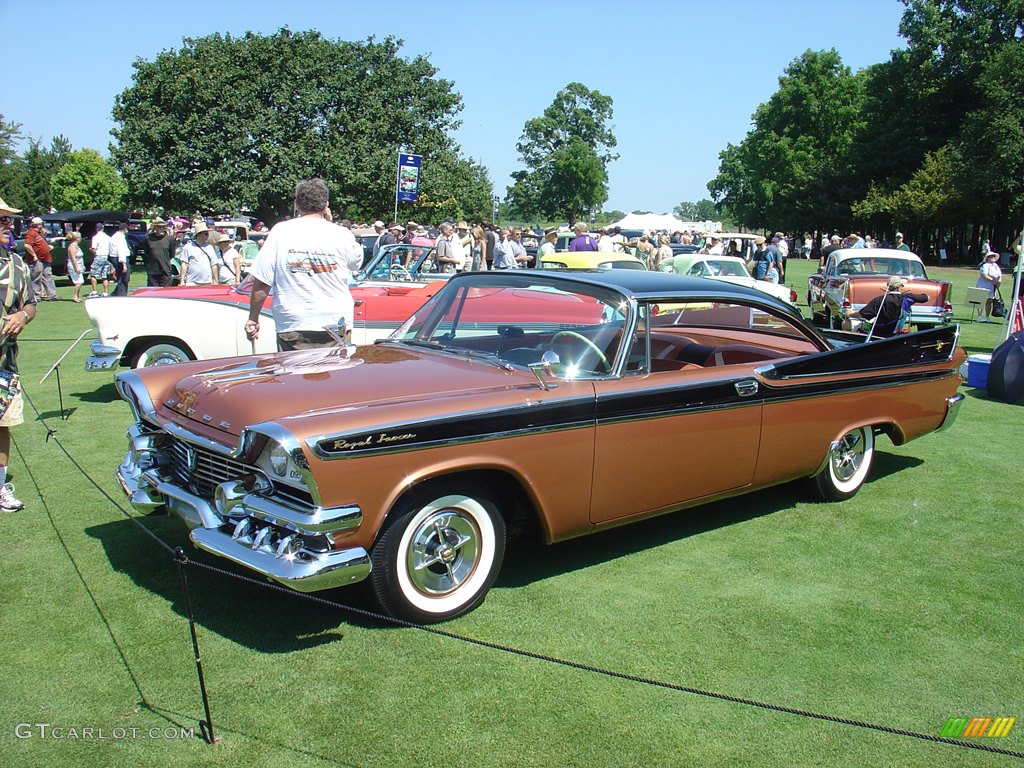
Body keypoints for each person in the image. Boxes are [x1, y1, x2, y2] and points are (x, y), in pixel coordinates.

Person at [245, 178, 363, 351]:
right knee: (334, 375)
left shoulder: (281, 231)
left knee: (295, 376)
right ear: (326, 205)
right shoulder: (341, 234)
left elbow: (262, 282)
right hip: (334, 321)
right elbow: (355, 264)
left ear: (297, 205)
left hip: (294, 322)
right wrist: (330, 223)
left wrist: (253, 317)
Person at [0, 198, 37, 511]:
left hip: (4, 364)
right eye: (1, 220)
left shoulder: (17, 264)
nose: (7, 225)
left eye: (8, 220)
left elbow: (31, 304)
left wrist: (21, 317)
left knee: (2, 425)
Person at [844, 276, 928, 336]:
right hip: (896, 334)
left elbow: (861, 314)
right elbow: (926, 297)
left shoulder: (879, 300)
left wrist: (849, 314)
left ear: (888, 287)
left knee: (846, 323)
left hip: (877, 334)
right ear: (900, 287)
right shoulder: (907, 298)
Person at [23, 216, 57, 301]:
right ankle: (36, 296)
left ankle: (52, 295)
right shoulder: (31, 233)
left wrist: (47, 247)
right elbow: (27, 245)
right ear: (38, 225)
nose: (42, 225)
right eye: (41, 224)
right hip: (37, 260)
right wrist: (34, 255)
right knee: (36, 277)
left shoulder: (38, 233)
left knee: (48, 276)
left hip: (45, 259)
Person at [139, 218, 175, 287]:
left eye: (163, 227)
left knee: (165, 293)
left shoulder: (169, 239)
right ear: (155, 228)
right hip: (152, 271)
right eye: (159, 227)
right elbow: (146, 253)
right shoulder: (148, 239)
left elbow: (172, 254)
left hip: (165, 271)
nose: (162, 229)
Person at [87, 222, 113, 297]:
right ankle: (105, 292)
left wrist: (92, 251)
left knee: (93, 274)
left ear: (97, 229)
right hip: (106, 256)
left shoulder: (95, 237)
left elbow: (94, 249)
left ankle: (94, 291)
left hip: (99, 256)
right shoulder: (108, 237)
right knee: (104, 275)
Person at [975, 251, 1002, 322]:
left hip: (992, 287)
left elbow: (999, 275)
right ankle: (979, 316)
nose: (992, 258)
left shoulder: (996, 266)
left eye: (993, 256)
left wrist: (998, 282)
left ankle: (987, 317)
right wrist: (993, 280)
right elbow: (983, 275)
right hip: (983, 285)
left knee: (989, 301)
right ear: (987, 258)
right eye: (991, 256)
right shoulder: (985, 265)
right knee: (981, 300)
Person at [109, 221, 132, 297]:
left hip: (114, 258)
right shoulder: (120, 238)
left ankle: (116, 293)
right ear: (125, 229)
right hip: (121, 259)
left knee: (121, 278)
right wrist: (124, 264)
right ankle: (121, 295)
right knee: (124, 278)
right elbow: (121, 251)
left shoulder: (114, 236)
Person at [65, 230, 85, 302]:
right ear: (76, 238)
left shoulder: (77, 246)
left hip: (79, 265)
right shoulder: (72, 246)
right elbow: (73, 258)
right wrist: (76, 267)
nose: (81, 239)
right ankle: (75, 296)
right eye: (79, 237)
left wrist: (82, 266)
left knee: (80, 281)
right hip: (73, 266)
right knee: (79, 282)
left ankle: (77, 296)